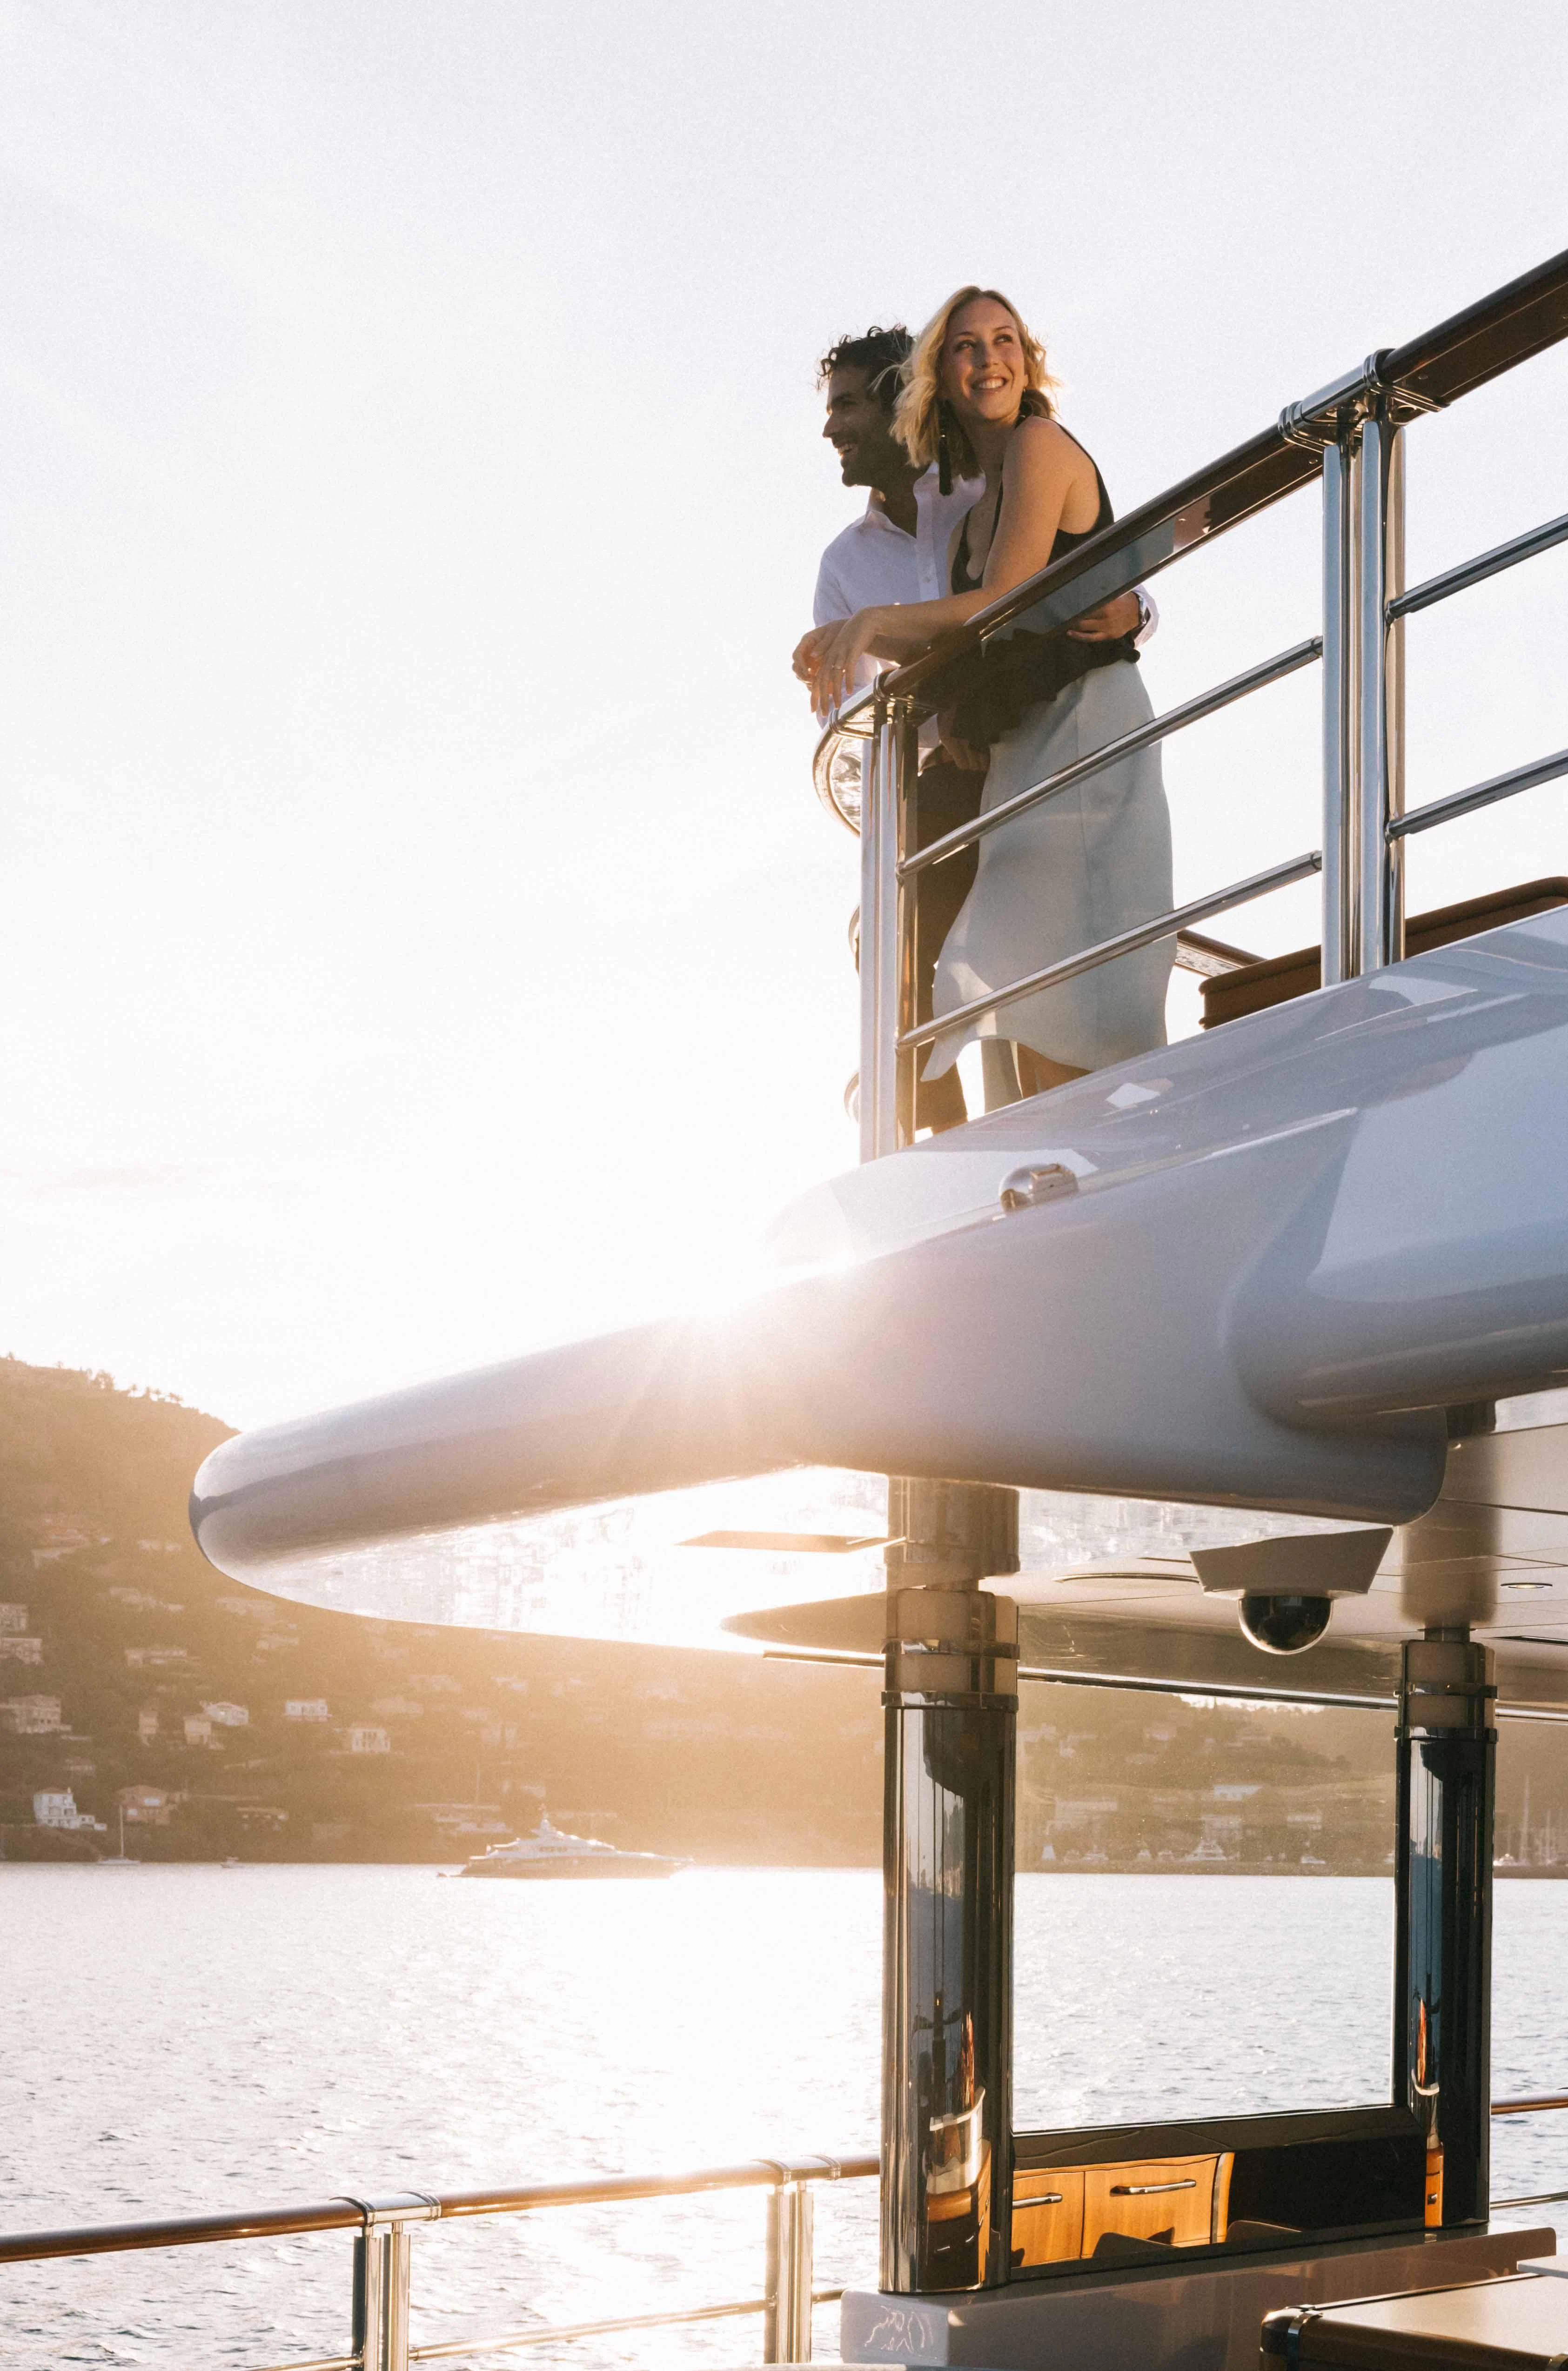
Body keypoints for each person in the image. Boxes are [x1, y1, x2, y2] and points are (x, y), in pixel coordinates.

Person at [797, 287, 1172, 1108]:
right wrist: (917, 694)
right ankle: (926, 1124)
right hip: (958, 767)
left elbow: (1049, 585)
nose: (831, 429)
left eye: (847, 406)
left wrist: (1135, 608)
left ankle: (1080, 1123)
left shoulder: (995, 477)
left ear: (902, 399)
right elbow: (854, 719)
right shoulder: (844, 562)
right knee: (893, 935)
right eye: (967, 347)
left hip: (1050, 729)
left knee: (1049, 976)